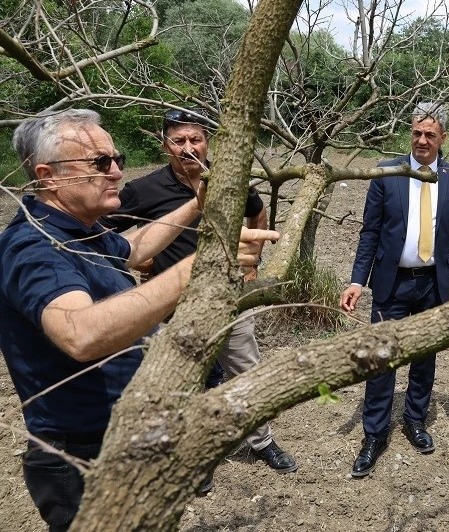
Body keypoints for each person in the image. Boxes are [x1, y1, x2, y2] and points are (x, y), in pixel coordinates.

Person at [0, 109, 278, 531]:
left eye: (118, 159)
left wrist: (195, 205)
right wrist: (196, 268)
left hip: (123, 436)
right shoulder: (36, 248)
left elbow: (131, 248)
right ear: (49, 176)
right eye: (100, 163)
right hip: (84, 457)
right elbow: (79, 334)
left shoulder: (80, 230)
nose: (116, 172)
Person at [103, 109, 297, 475]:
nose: (188, 147)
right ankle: (190, 453)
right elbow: (102, 235)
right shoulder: (143, 190)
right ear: (166, 147)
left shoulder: (230, 180)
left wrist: (253, 261)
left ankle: (262, 442)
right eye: (179, 140)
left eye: (196, 139)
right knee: (180, 381)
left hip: (229, 297)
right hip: (173, 306)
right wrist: (140, 257)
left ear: (208, 144)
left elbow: (257, 213)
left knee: (246, 373)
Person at [339, 102, 449, 478]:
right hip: (392, 284)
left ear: (443, 137)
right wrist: (356, 280)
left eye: (430, 134)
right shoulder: (388, 172)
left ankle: (415, 420)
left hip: (433, 285)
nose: (422, 140)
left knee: (424, 357)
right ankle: (375, 434)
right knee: (380, 360)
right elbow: (370, 231)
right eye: (416, 132)